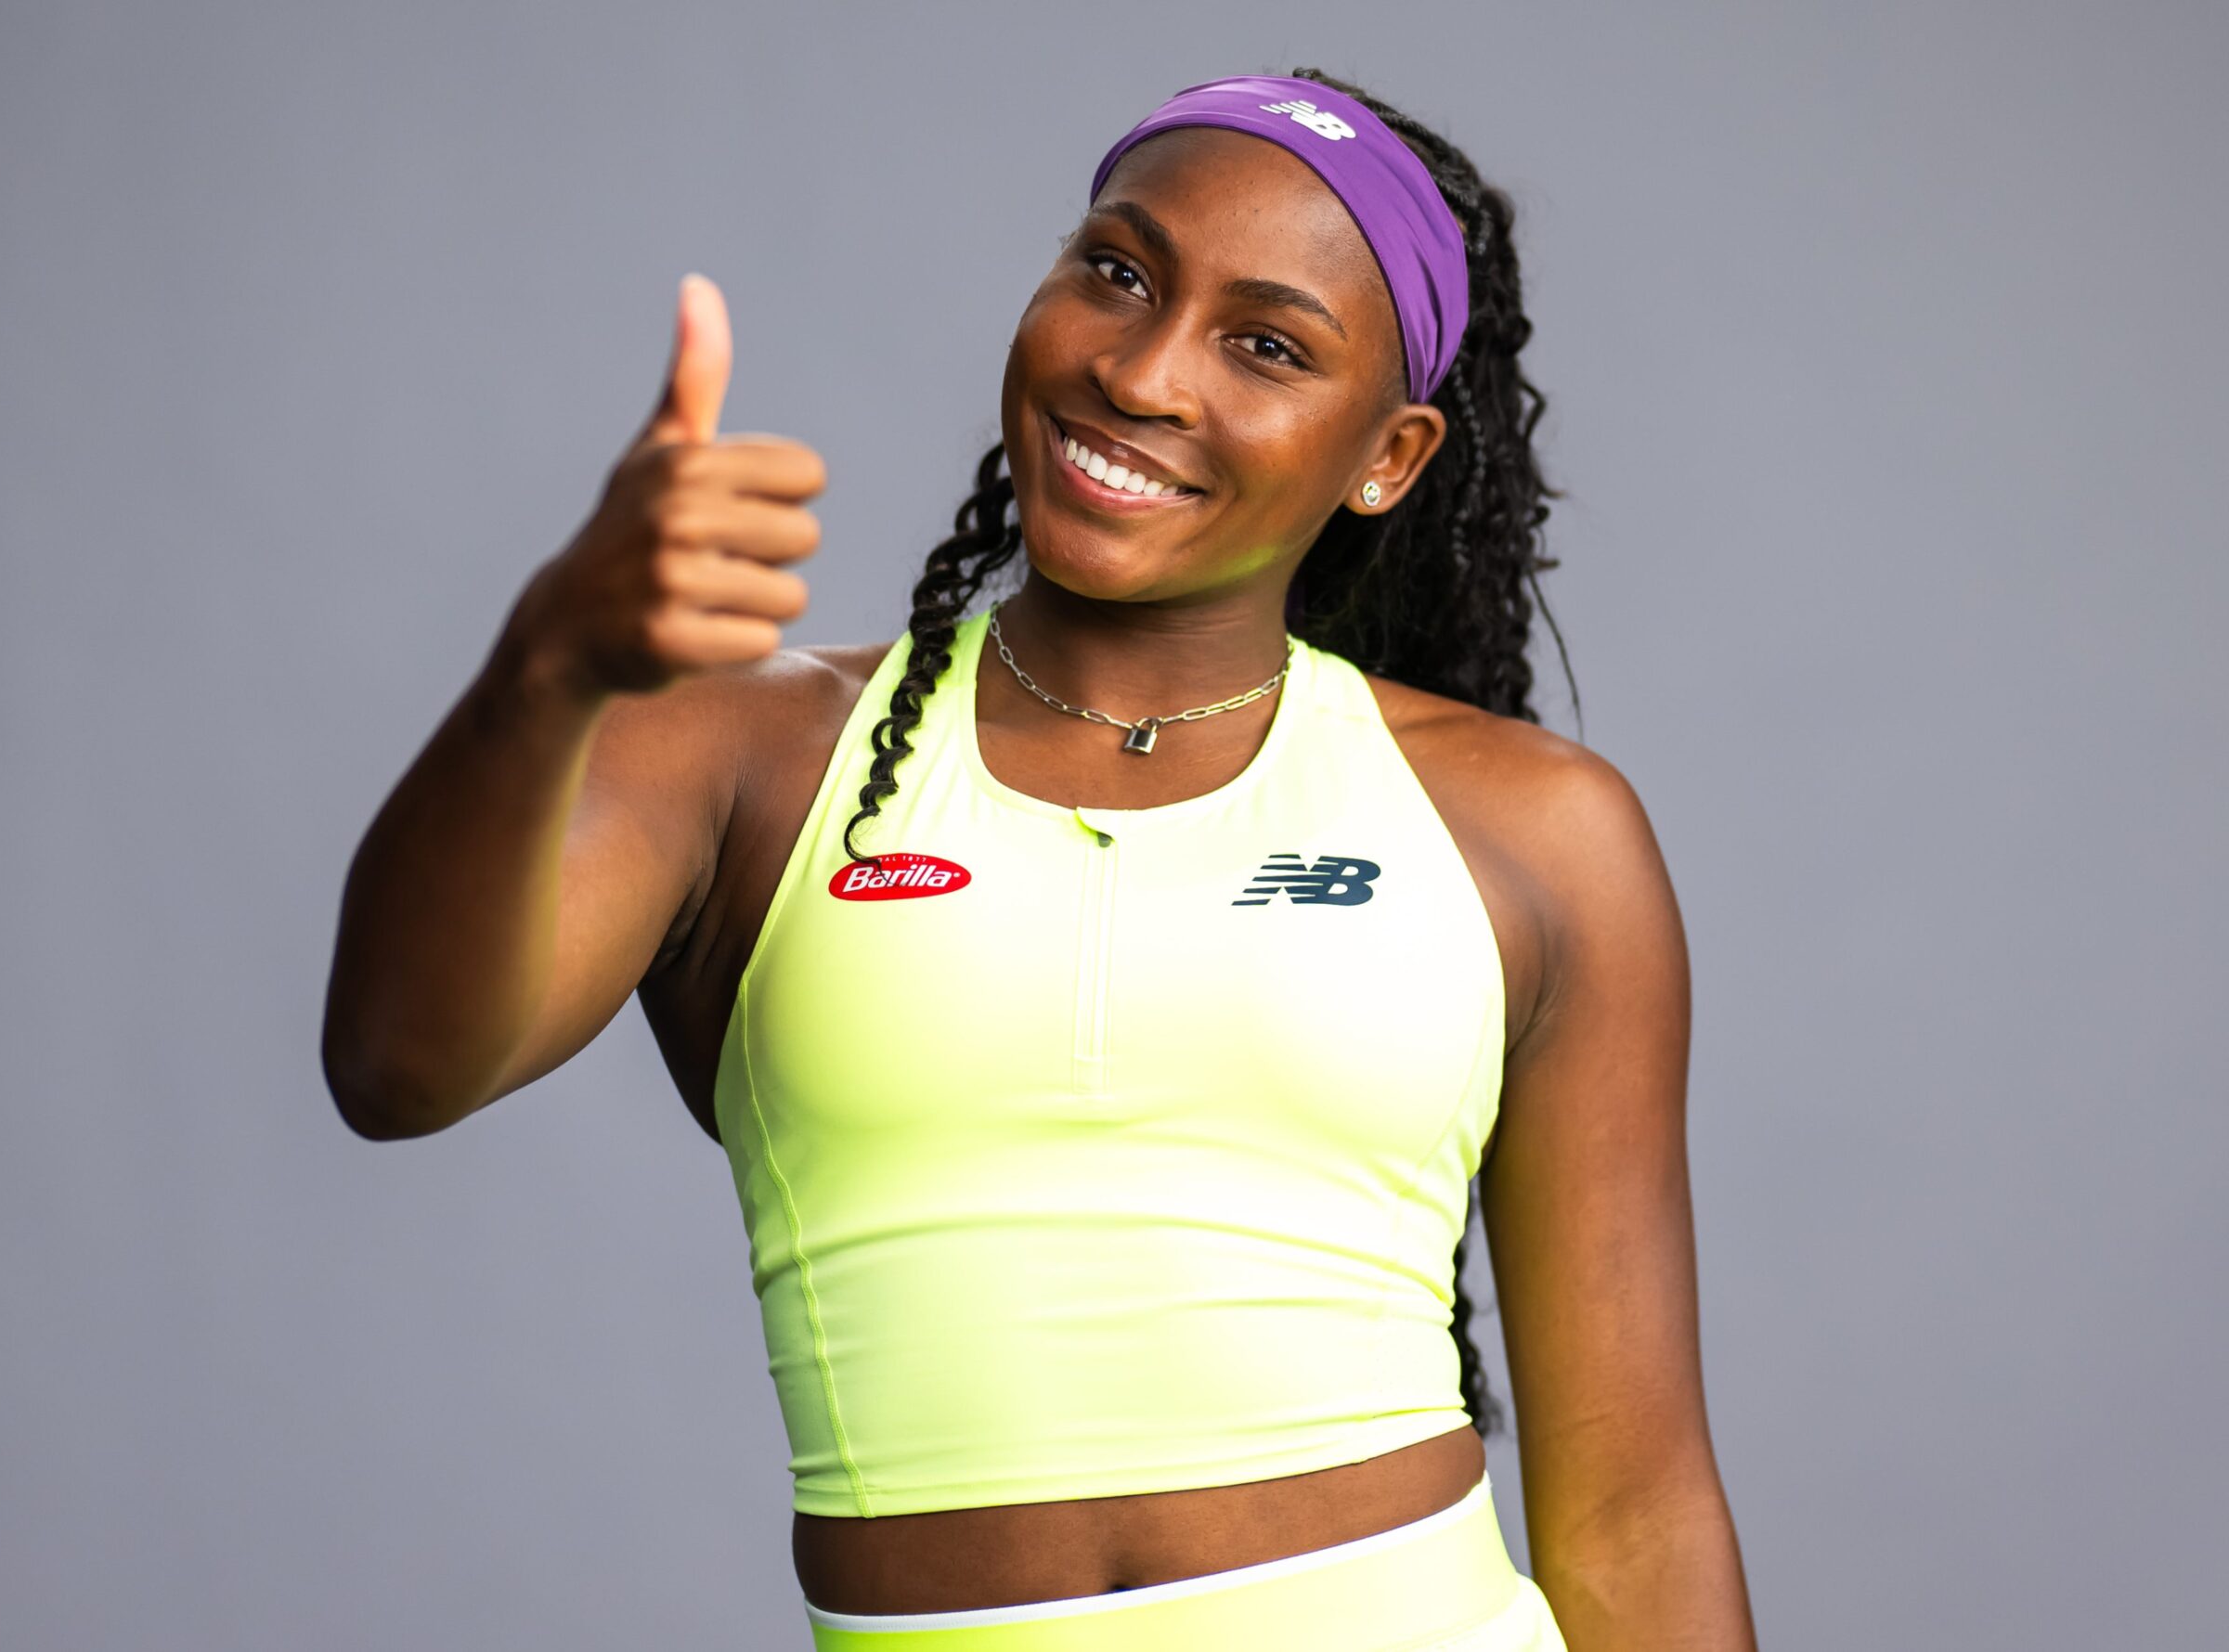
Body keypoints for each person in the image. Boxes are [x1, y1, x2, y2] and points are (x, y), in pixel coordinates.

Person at [323, 67, 1756, 1650]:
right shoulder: (746, 754)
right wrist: (545, 668)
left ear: (1391, 456)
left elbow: (1636, 1509)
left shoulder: (1531, 827)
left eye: (1267, 346)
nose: (1141, 372)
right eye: (1118, 272)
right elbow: (399, 1067)